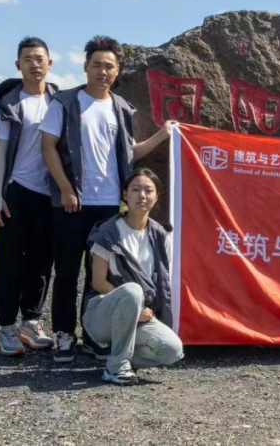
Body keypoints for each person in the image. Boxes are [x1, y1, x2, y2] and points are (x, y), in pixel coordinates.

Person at [40, 35, 175, 363]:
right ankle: (64, 334)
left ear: (117, 71)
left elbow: (129, 154)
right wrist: (65, 188)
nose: (103, 71)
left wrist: (162, 135)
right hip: (72, 201)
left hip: (108, 205)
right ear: (86, 67)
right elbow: (48, 147)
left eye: (109, 66)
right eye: (97, 65)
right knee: (67, 270)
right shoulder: (65, 102)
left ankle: (93, 336)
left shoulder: (122, 108)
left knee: (99, 274)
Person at [0, 37, 60, 357]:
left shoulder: (59, 101)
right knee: (9, 261)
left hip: (48, 194)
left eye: (40, 58)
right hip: (16, 190)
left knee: (42, 261)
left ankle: (31, 322)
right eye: (28, 59)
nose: (34, 64)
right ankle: (6, 328)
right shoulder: (10, 103)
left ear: (50, 63)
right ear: (18, 65)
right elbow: (0, 152)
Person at [83, 168, 184, 384]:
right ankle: (116, 367)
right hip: (102, 314)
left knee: (172, 351)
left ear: (157, 197)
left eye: (149, 190)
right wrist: (135, 306)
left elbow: (162, 282)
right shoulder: (107, 232)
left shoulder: (160, 235)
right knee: (132, 290)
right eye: (136, 189)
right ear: (125, 194)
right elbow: (98, 282)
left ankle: (121, 357)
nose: (142, 195)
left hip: (140, 317)